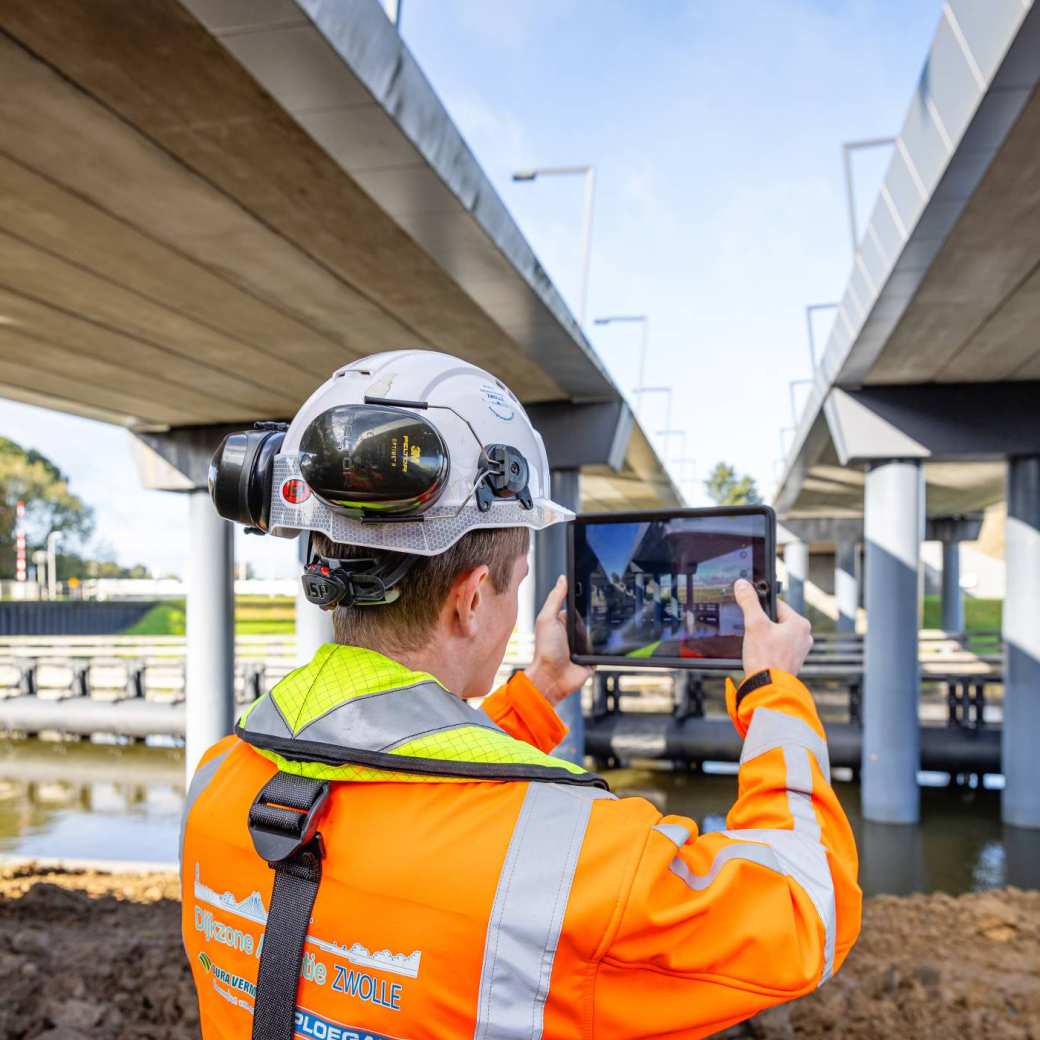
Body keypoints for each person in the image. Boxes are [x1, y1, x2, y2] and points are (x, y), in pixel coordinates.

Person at [183, 350, 860, 1040]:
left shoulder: (218, 784)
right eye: (516, 582)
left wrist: (537, 694)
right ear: (473, 599)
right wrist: (773, 693)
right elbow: (806, 912)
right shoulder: (574, 861)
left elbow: (402, 775)